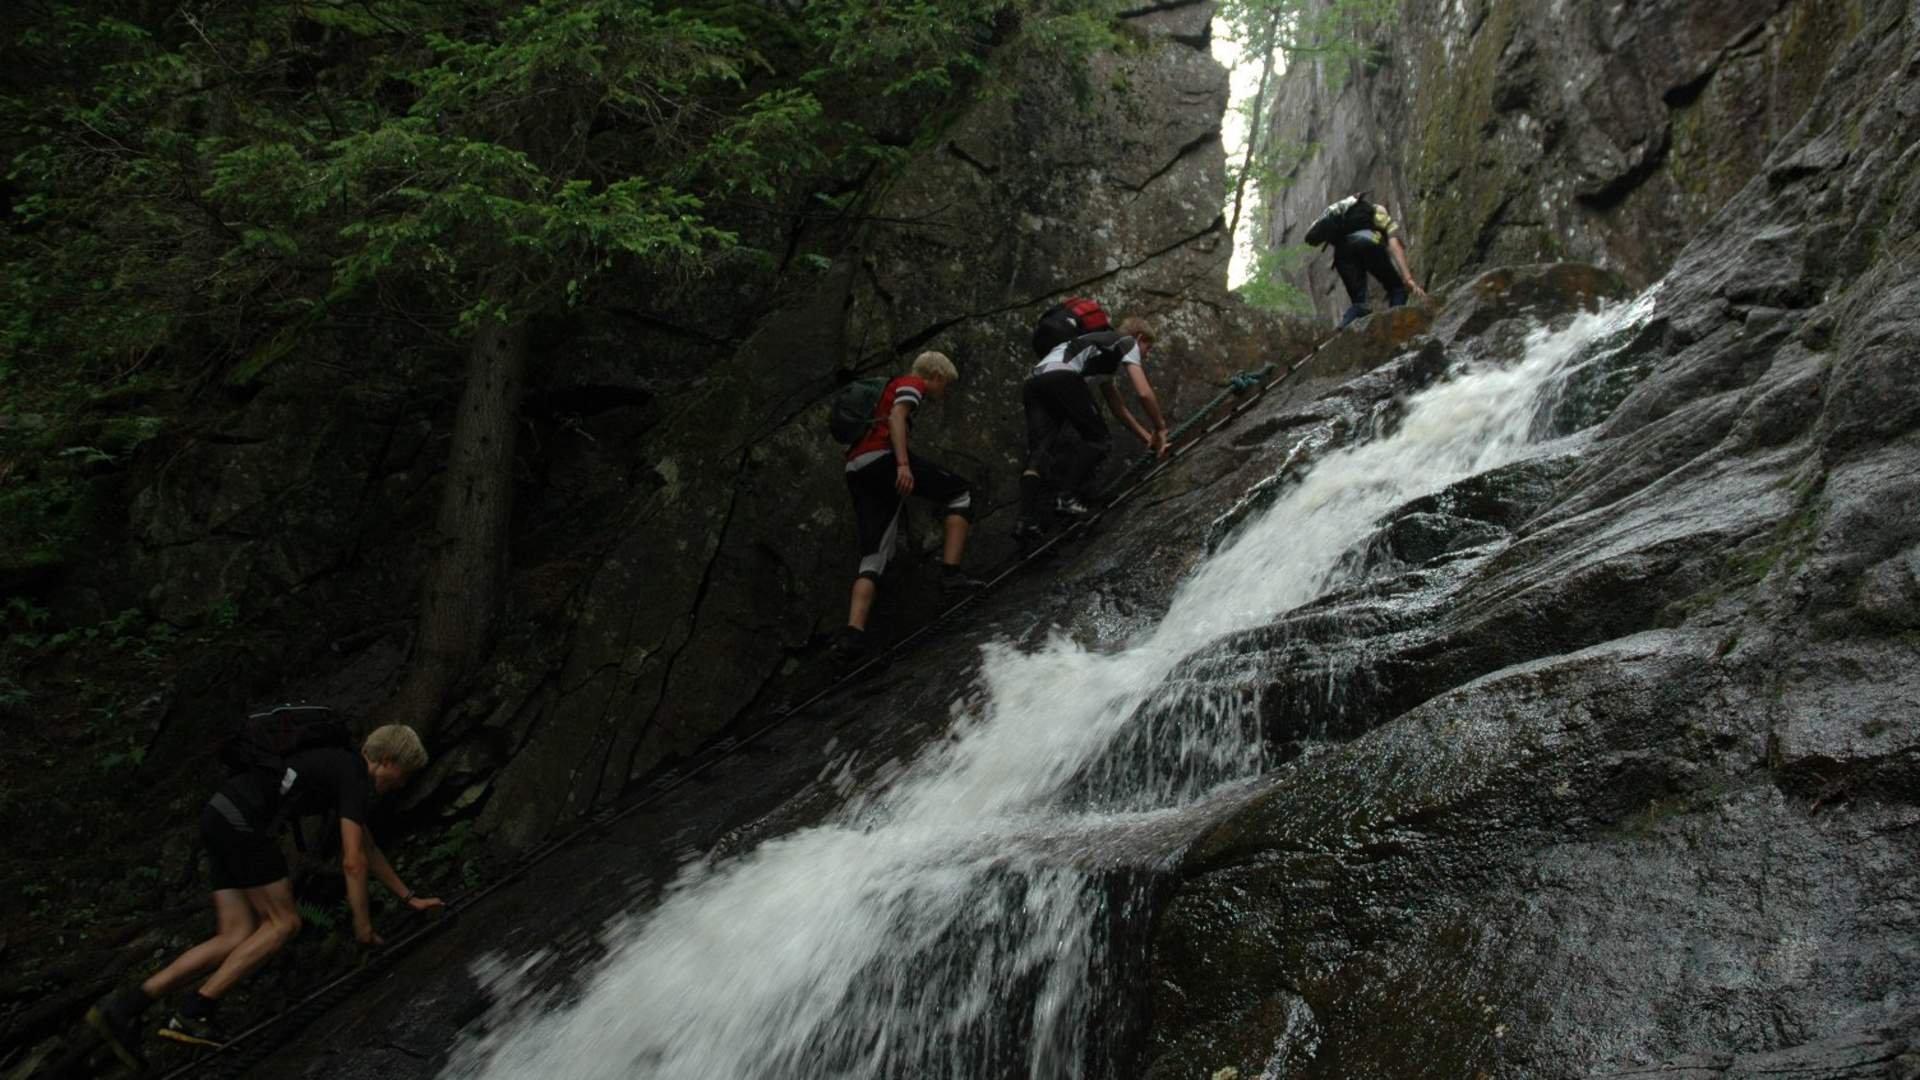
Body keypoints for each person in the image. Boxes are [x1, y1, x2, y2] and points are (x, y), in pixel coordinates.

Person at [85, 724, 441, 1063]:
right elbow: (353, 861)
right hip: (244, 823)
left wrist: (409, 897)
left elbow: (369, 848)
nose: (401, 784)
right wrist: (363, 929)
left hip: (219, 815)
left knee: (235, 934)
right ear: (389, 762)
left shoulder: (337, 765)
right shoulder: (353, 773)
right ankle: (194, 1011)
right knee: (284, 924)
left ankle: (124, 1008)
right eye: (404, 774)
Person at [831, 350, 982, 669]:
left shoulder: (882, 392)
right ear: (937, 376)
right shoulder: (911, 383)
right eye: (946, 385)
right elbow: (897, 417)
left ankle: (852, 636)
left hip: (856, 467)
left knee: (873, 556)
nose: (944, 393)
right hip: (882, 458)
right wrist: (902, 464)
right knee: (960, 493)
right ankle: (951, 575)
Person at [1015, 315, 1170, 546]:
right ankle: (1066, 498)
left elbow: (1118, 407)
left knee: (1039, 453)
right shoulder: (1125, 342)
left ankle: (1026, 521)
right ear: (1139, 337)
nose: (1147, 354)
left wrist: (1147, 437)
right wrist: (1161, 428)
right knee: (1099, 441)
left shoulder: (1098, 350)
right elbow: (1143, 392)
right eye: (1148, 347)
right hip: (1062, 377)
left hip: (1035, 382)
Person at [1319, 193, 1429, 327]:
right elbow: (1395, 244)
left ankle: (1341, 330)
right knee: (1397, 289)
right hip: (1368, 242)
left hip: (1342, 254)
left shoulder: (1344, 220)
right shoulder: (1377, 210)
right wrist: (1408, 278)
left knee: (1359, 303)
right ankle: (1396, 326)